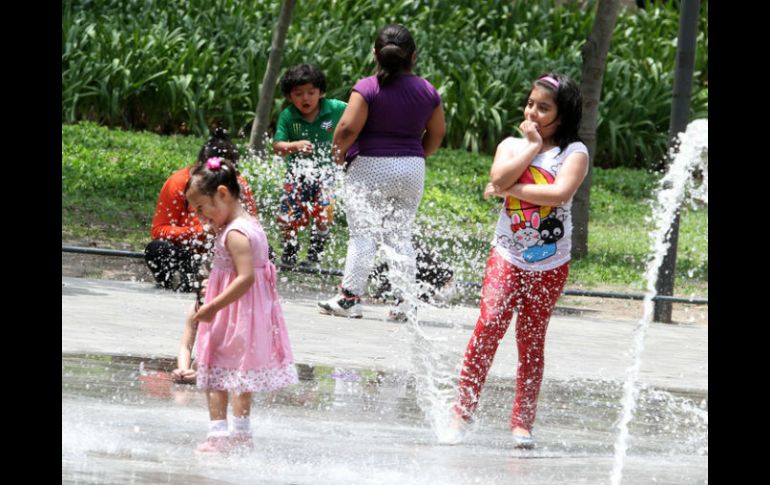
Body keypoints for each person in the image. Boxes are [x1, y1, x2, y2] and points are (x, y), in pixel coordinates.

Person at [447, 73, 589, 449]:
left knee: (530, 340)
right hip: (506, 254)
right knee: (489, 324)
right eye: (530, 104)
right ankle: (461, 411)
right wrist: (530, 147)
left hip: (550, 262)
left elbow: (558, 194)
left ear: (565, 113)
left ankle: (522, 422)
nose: (533, 112)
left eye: (544, 108)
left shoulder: (574, 153)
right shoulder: (512, 143)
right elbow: (497, 174)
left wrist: (507, 189)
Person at [317, 24, 446, 320]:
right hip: (412, 169)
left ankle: (349, 300)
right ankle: (405, 303)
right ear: (413, 56)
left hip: (370, 167)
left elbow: (348, 128)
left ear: (375, 54)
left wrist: (337, 156)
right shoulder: (428, 91)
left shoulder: (368, 87)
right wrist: (416, 154)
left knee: (363, 234)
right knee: (399, 234)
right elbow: (437, 133)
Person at [183, 156, 298, 453]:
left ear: (222, 194)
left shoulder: (234, 233)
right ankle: (242, 433)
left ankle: (218, 436)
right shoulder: (248, 224)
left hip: (231, 312)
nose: (200, 216)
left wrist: (212, 306)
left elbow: (245, 278)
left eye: (201, 208)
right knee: (240, 374)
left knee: (216, 371)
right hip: (248, 312)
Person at [145, 128, 258, 292]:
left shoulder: (237, 184)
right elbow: (158, 231)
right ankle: (184, 280)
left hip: (226, 254)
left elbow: (253, 227)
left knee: (264, 253)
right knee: (157, 249)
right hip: (189, 254)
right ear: (200, 169)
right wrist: (200, 231)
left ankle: (238, 285)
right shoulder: (179, 182)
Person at [273, 64, 348, 266]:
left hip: (327, 175)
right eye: (298, 94)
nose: (305, 98)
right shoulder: (288, 116)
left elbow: (357, 119)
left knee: (323, 213)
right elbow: (278, 146)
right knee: (288, 216)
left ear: (321, 92)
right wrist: (295, 145)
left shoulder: (336, 109)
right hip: (297, 175)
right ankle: (290, 248)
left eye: (311, 93)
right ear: (289, 96)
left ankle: (316, 251)